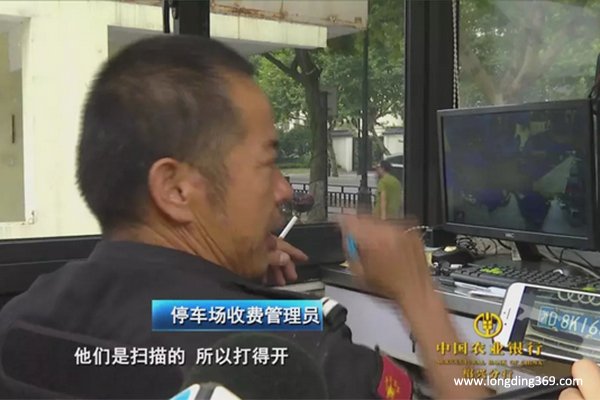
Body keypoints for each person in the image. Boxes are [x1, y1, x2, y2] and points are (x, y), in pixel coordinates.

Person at [0, 36, 488, 399]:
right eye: (268, 162)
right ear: (175, 189)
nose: (283, 190)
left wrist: (230, 284)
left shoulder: (21, 319)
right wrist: (418, 296)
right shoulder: (289, 358)